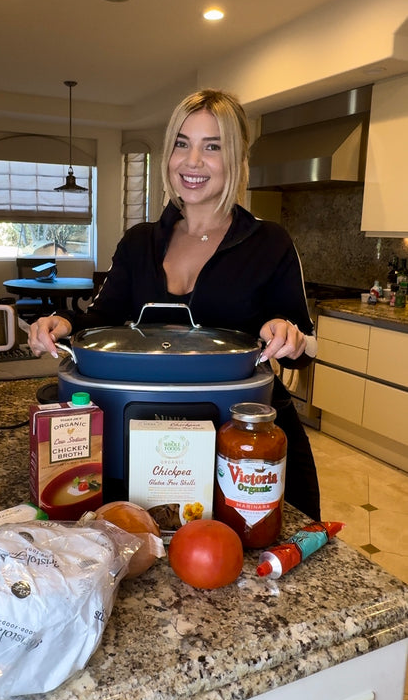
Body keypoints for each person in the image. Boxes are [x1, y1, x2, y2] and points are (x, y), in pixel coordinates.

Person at [29, 89, 320, 520]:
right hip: (138, 430)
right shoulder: (139, 241)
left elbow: (302, 348)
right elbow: (102, 318)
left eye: (213, 146)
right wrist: (61, 324)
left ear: (237, 159)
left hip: (241, 441)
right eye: (182, 144)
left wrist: (288, 335)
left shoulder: (269, 242)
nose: (192, 161)